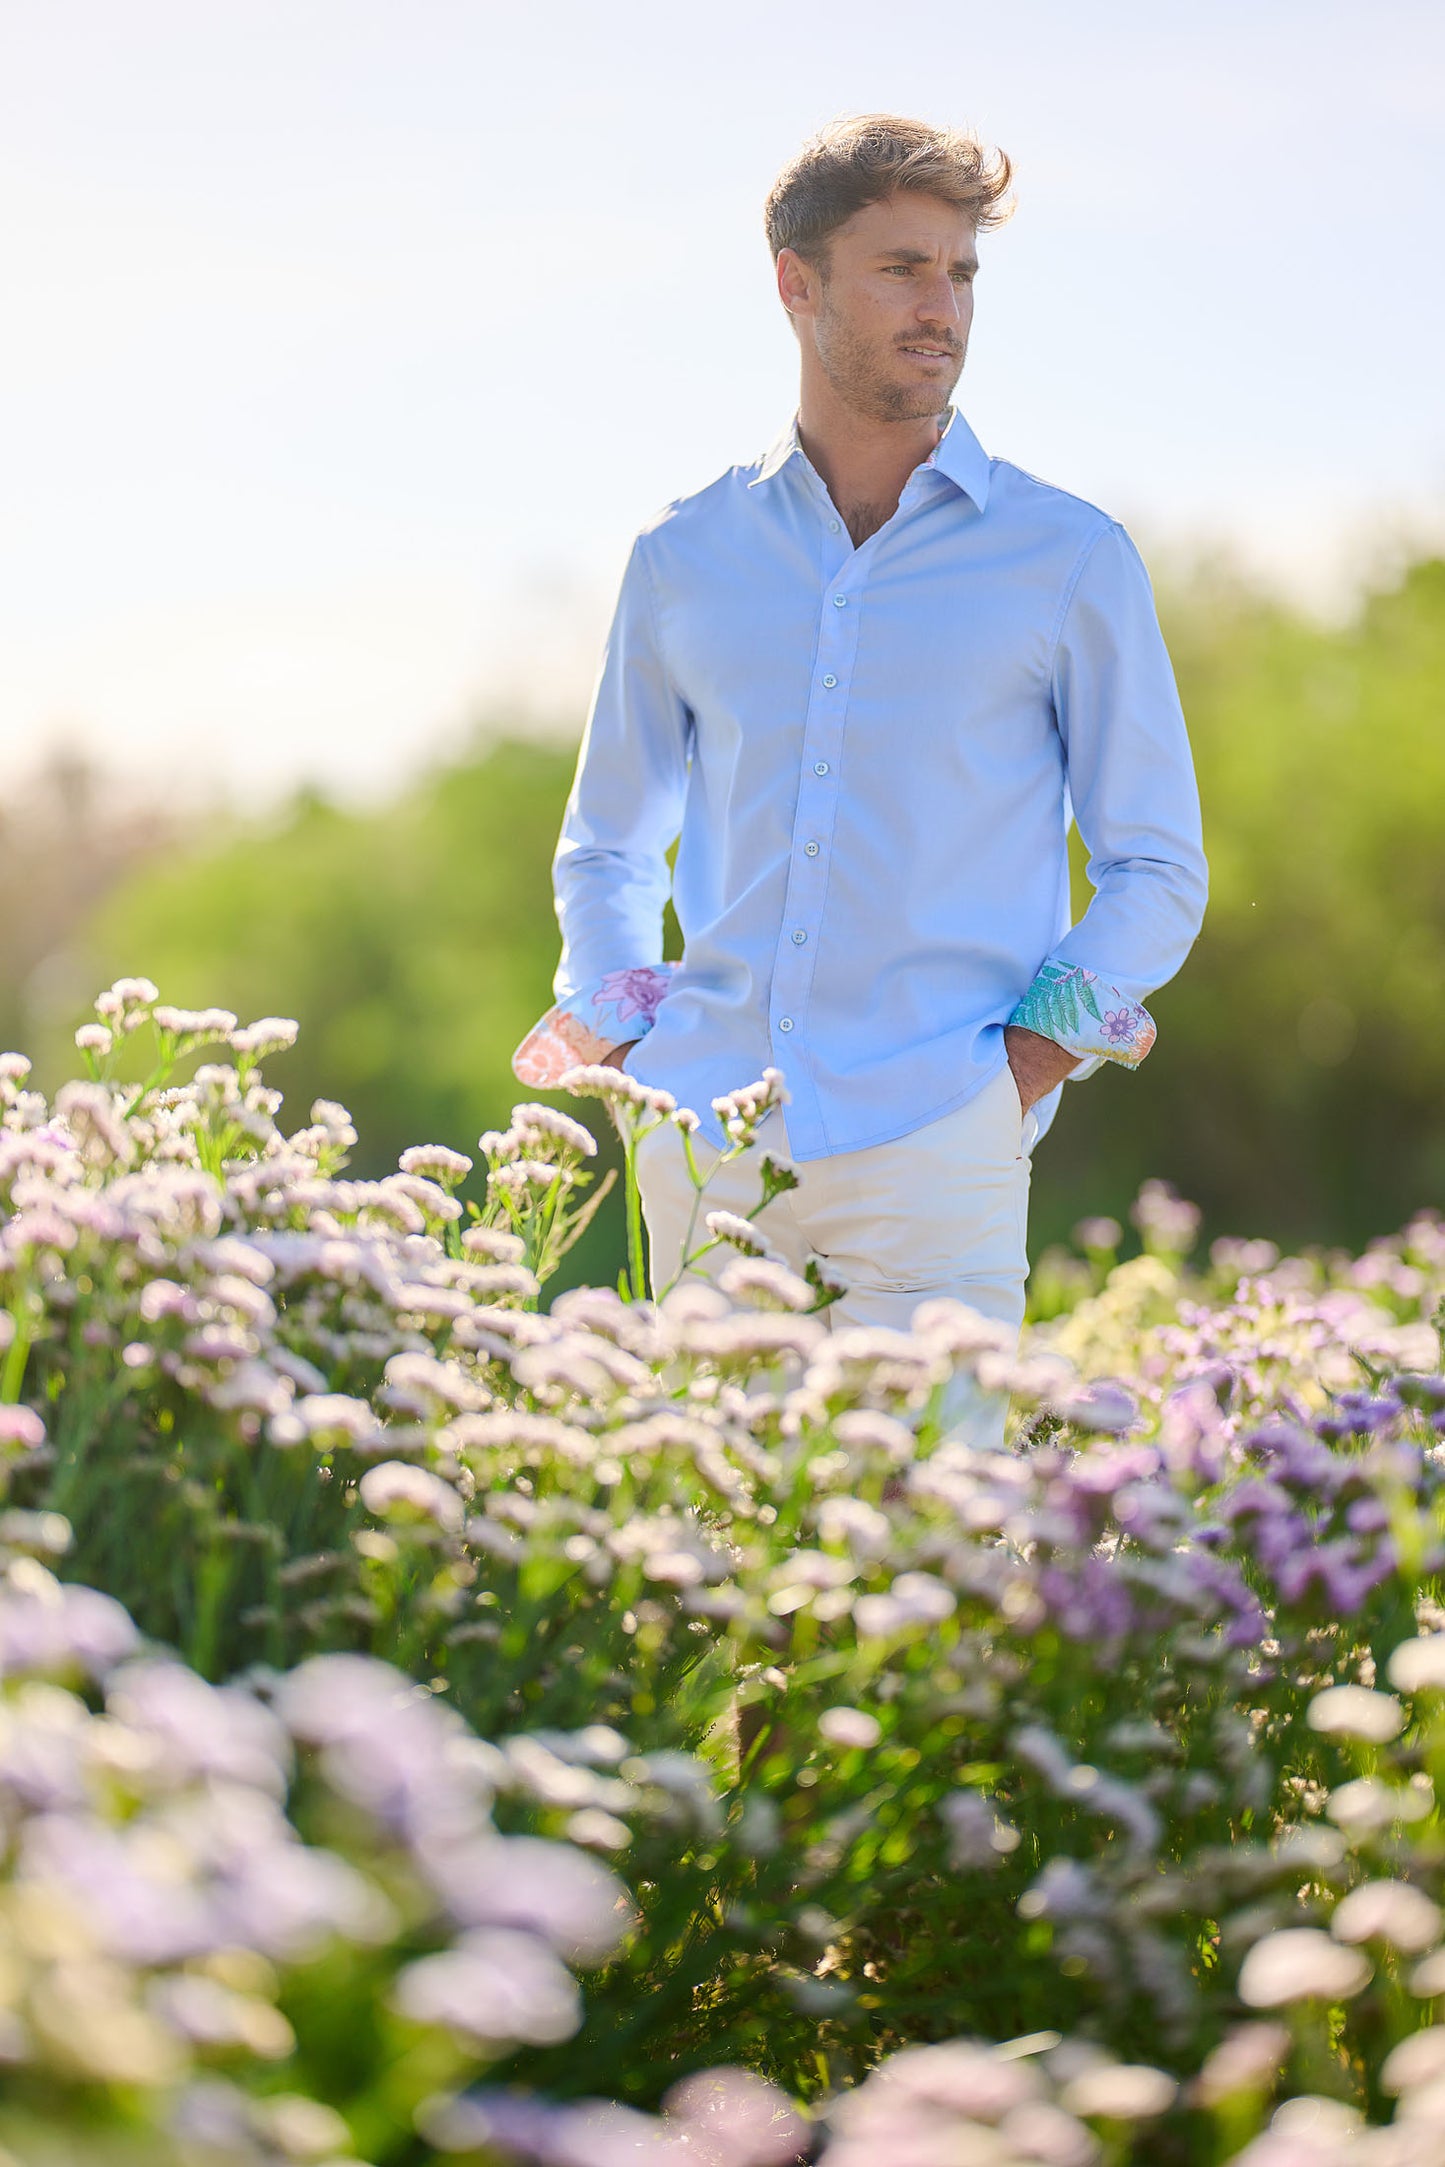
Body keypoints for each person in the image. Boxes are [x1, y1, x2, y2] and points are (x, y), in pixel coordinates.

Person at [513, 113, 1208, 1441]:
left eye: (959, 275)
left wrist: (1012, 1076)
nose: (939, 306)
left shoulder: (1067, 557)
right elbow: (608, 845)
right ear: (796, 282)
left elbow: (1154, 866)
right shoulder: (682, 556)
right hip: (708, 1141)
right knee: (707, 1588)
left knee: (927, 1573)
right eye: (900, 268)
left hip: (938, 1141)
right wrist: (630, 1048)